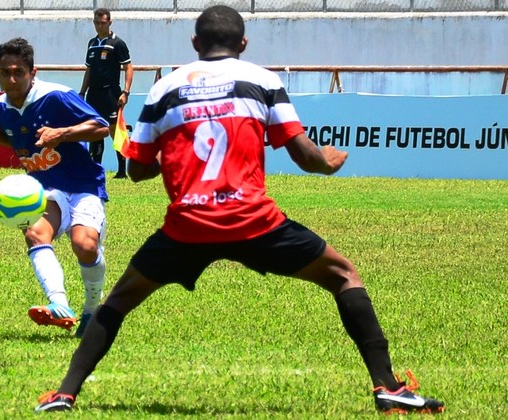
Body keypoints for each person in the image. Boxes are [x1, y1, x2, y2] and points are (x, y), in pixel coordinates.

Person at [34, 6, 444, 415]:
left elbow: (138, 170)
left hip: (188, 226)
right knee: (342, 275)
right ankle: (387, 387)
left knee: (119, 301)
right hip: (253, 221)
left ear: (195, 44)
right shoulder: (262, 81)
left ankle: (65, 393)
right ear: (243, 44)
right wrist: (328, 161)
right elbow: (303, 155)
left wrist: (174, 156)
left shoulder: (165, 90)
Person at [0, 37, 108, 338]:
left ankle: (93, 308)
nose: (11, 79)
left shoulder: (57, 96)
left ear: (32, 72)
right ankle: (59, 304)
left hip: (83, 185)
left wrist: (63, 133)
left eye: (18, 72)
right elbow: (10, 135)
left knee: (85, 246)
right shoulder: (0, 105)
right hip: (47, 188)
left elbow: (101, 126)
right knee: (35, 233)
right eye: (4, 72)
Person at [78, 7, 134, 179]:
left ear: (110, 22)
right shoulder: (92, 43)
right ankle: (96, 169)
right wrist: (82, 92)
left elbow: (128, 67)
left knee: (114, 130)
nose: (99, 26)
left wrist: (125, 91)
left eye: (103, 23)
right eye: (96, 22)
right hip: (93, 94)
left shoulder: (117, 43)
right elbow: (89, 70)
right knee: (95, 129)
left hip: (111, 92)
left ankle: (122, 170)